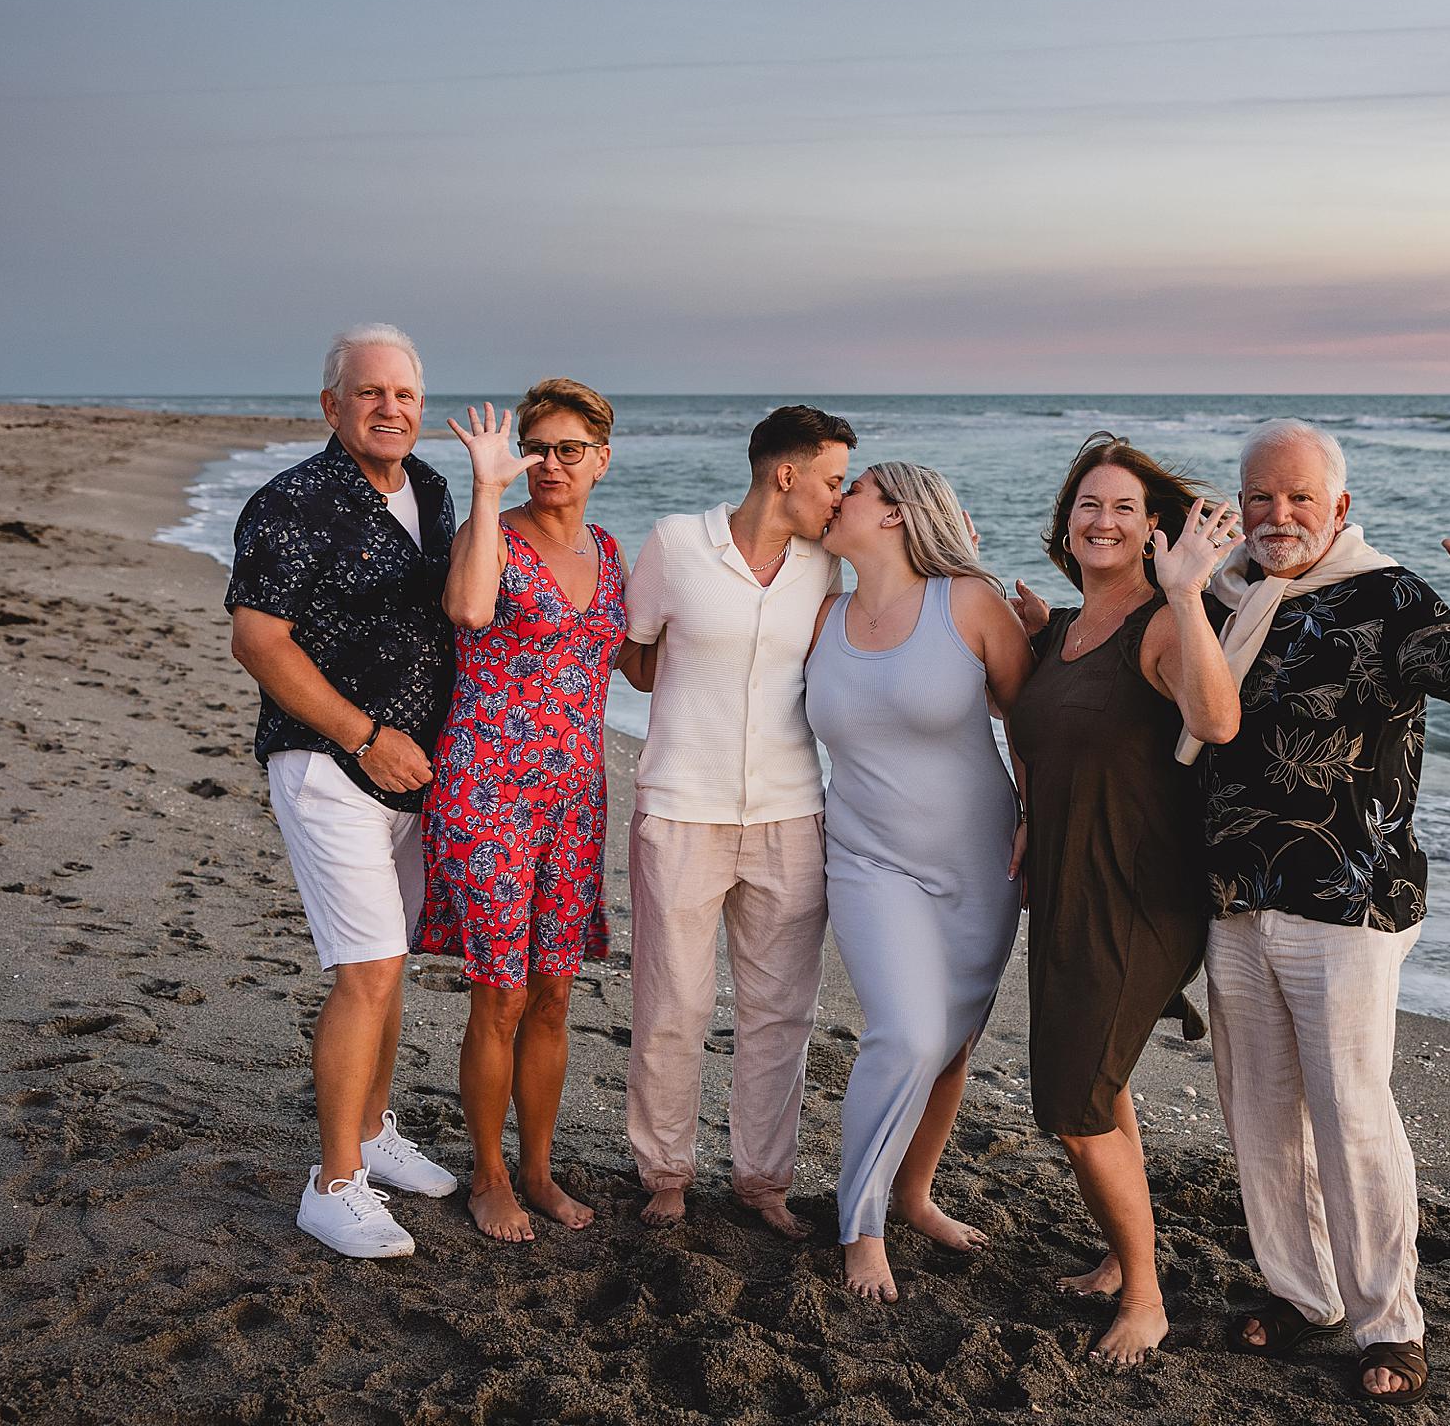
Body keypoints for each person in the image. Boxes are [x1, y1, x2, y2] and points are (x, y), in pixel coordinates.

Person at [1195, 419, 1450, 1405]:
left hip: (1349, 901)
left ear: (1340, 507)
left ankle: (1387, 1323)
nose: (1278, 514)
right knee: (1261, 1111)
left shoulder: (1388, 597)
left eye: (1299, 497)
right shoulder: (1220, 592)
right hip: (1235, 896)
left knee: (1352, 1114)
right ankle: (1302, 1292)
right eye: (1260, 496)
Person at [1002, 432, 1241, 1365]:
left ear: (1153, 531)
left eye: (1124, 509)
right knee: (1101, 1080)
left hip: (1139, 893)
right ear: (1067, 522)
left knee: (1071, 1099)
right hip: (1065, 879)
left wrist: (1187, 592)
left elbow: (1216, 720)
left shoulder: (1162, 621)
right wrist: (1026, 810)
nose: (1103, 521)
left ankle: (1145, 1295)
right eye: (1089, 505)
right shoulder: (1060, 628)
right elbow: (1037, 732)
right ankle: (1116, 1252)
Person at [226, 323, 462, 1258]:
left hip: (417, 772)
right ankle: (333, 1185)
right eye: (370, 393)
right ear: (332, 405)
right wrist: (364, 737)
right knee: (363, 972)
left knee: (390, 959)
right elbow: (259, 641)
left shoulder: (433, 491)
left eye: (404, 394)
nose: (389, 408)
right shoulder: (291, 503)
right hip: (328, 763)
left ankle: (372, 1131)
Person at [621, 405, 857, 1237]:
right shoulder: (676, 544)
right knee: (671, 1004)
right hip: (681, 808)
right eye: (832, 479)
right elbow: (637, 659)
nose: (841, 496)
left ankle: (763, 1182)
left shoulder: (824, 564)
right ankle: (666, 1172)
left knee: (780, 1011)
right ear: (783, 474)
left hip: (793, 810)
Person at [417, 378, 640, 1242]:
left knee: (554, 993)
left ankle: (539, 1171)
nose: (550, 463)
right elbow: (469, 609)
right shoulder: (493, 538)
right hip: (490, 792)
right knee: (500, 997)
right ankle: (489, 1177)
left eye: (568, 450)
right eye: (536, 446)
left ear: (601, 462)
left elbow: (638, 663)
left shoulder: (614, 553)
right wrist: (485, 485)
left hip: (576, 799)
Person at [805, 463, 1032, 1303]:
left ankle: (913, 1192)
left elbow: (1032, 718)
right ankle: (861, 1225)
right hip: (867, 859)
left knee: (949, 1046)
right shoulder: (821, 614)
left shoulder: (968, 603)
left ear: (895, 513)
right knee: (903, 1033)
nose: (838, 500)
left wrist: (1038, 817)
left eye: (852, 490)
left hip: (979, 864)